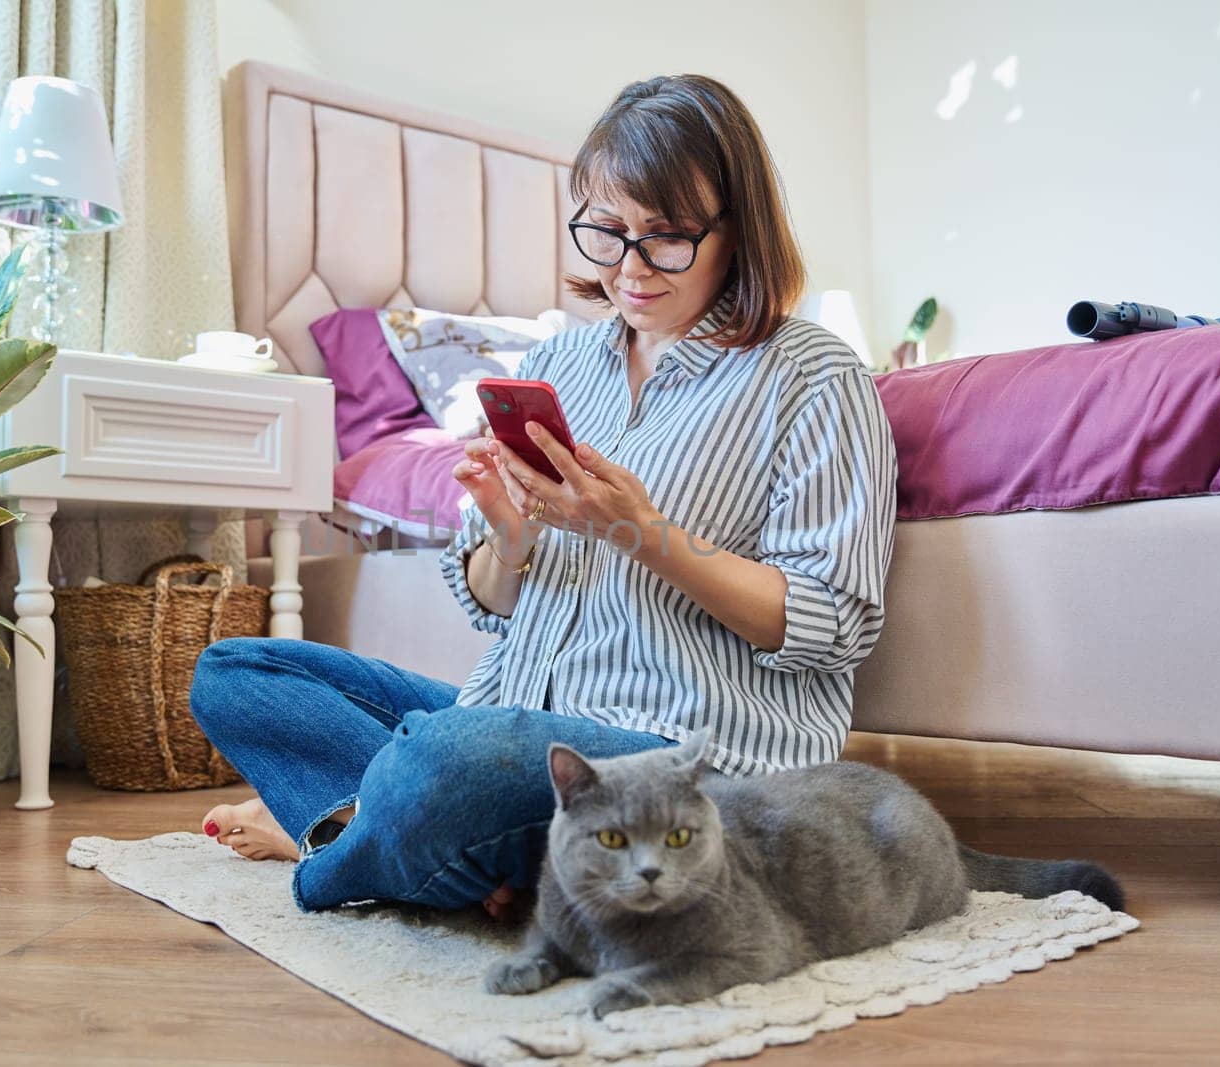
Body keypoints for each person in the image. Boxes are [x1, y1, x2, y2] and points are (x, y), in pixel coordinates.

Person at [191, 74, 897, 916]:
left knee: (444, 762)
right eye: (606, 231)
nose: (630, 267)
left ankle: (341, 846)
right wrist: (508, 537)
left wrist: (641, 531)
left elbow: (833, 625)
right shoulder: (555, 366)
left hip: (675, 760)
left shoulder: (813, 374)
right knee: (236, 670)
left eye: (666, 237)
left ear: (738, 229)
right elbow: (491, 603)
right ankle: (449, 849)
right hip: (511, 720)